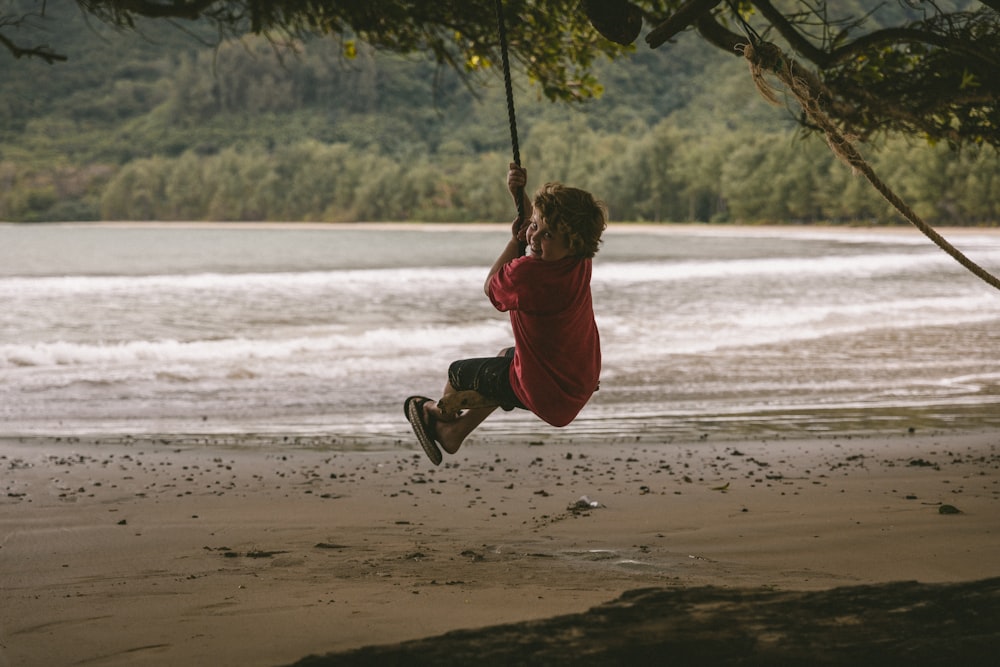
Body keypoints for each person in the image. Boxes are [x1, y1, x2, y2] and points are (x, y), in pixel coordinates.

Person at [405, 163, 607, 465]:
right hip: (577, 381)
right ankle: (455, 433)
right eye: (537, 226)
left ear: (571, 243)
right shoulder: (579, 261)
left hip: (545, 392)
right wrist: (519, 193)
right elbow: (533, 223)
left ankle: (437, 411)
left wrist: (516, 241)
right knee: (504, 357)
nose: (536, 238)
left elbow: (491, 287)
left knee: (458, 374)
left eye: (547, 235)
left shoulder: (529, 274)